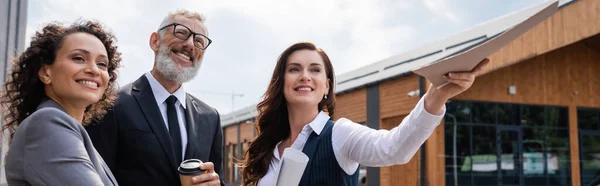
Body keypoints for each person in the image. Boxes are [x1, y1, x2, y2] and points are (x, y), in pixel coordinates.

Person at [242, 42, 490, 186]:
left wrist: (437, 95)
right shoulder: (270, 149)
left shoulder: (339, 135)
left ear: (326, 86)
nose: (305, 75)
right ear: (281, 81)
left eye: (315, 70)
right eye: (294, 69)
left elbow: (395, 148)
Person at [85, 9, 223, 186]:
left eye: (199, 41)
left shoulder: (210, 118)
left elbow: (218, 178)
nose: (190, 44)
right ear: (155, 41)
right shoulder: (112, 104)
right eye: (181, 32)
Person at [1, 20, 121, 186]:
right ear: (45, 73)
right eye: (79, 58)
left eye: (102, 64)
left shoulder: (73, 133)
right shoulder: (46, 122)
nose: (94, 69)